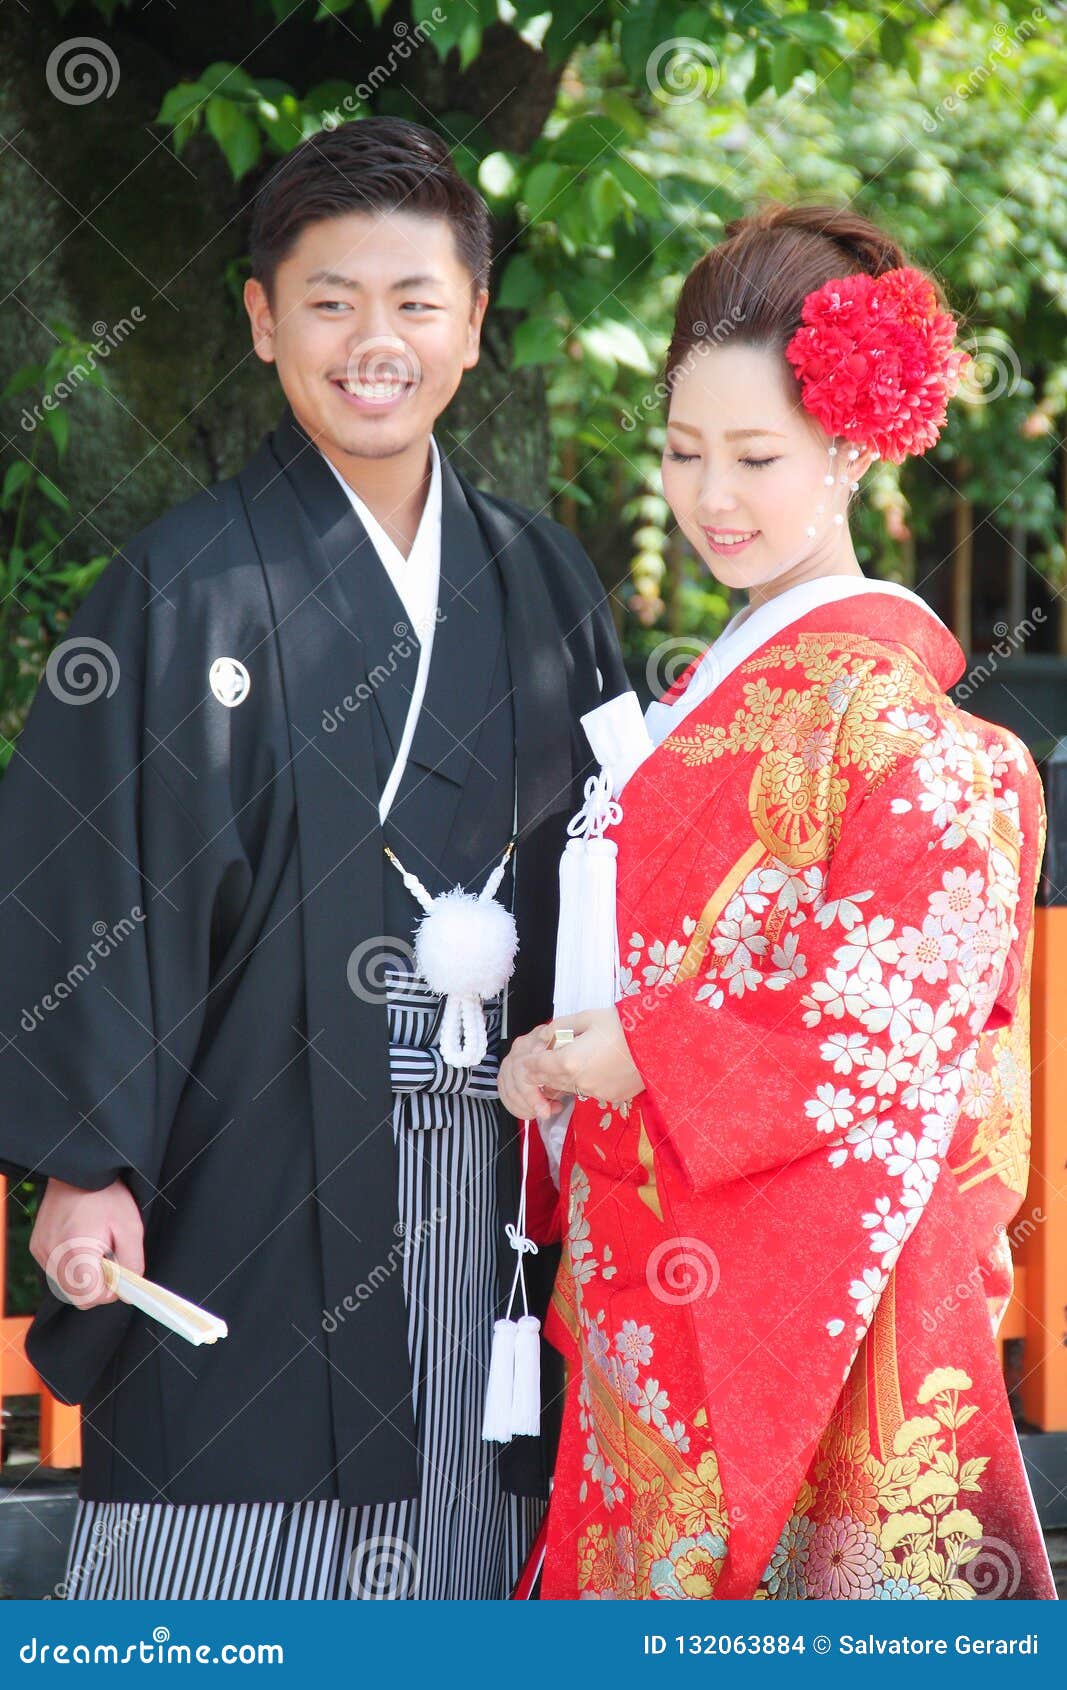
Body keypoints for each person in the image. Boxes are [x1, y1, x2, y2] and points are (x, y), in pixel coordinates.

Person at [0, 116, 629, 1600]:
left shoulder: (539, 581)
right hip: (251, 1159)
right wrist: (89, 1160)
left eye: (416, 302)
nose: (376, 340)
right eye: (332, 299)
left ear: (475, 321)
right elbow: (98, 879)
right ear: (262, 316)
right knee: (225, 1523)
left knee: (474, 1502)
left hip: (488, 1143)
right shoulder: (180, 590)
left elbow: (615, 865)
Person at [500, 203, 1057, 1601]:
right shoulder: (721, 685)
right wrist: (577, 1056)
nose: (713, 497)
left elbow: (895, 1005)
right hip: (665, 1277)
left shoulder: (901, 722)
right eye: (685, 454)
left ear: (851, 449)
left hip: (809, 1294)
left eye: (757, 457)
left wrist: (644, 1049)